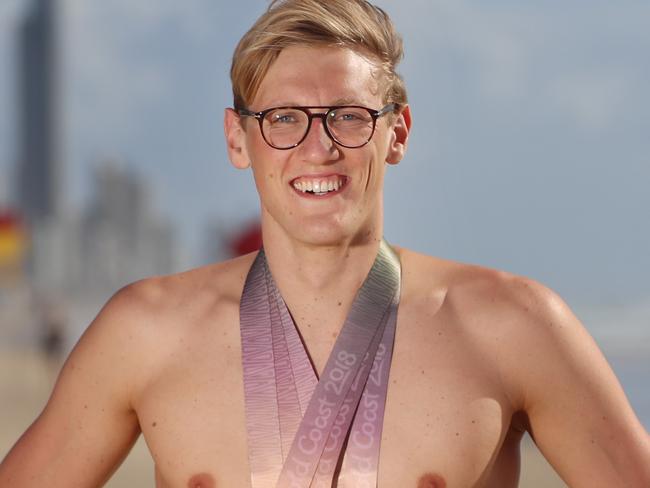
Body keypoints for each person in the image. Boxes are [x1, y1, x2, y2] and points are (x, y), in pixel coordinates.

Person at [2, 1, 649, 487]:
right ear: (237, 138)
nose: (320, 146)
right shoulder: (146, 332)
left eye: (349, 115)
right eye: (284, 118)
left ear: (396, 134)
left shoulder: (511, 324)